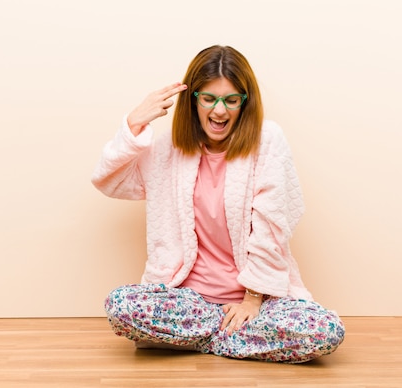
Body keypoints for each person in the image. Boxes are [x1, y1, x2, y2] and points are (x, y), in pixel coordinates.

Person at [91, 45, 345, 363]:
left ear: (245, 102)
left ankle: (192, 339)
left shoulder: (268, 141)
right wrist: (133, 125)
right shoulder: (169, 148)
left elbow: (272, 224)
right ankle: (226, 339)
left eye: (231, 100)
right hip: (187, 300)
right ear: (193, 99)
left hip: (253, 303)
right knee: (120, 305)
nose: (220, 111)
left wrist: (252, 300)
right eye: (209, 98)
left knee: (326, 330)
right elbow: (109, 181)